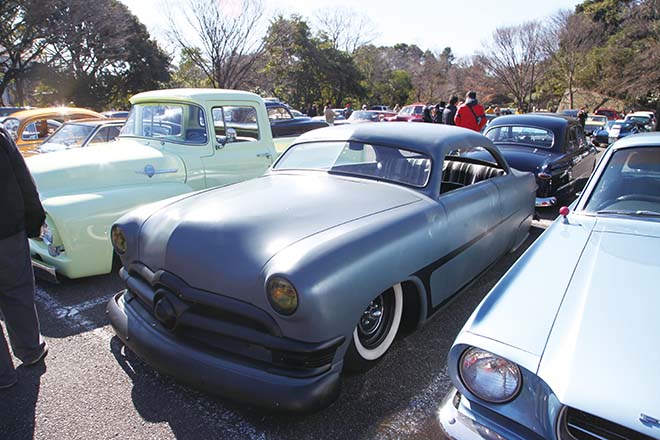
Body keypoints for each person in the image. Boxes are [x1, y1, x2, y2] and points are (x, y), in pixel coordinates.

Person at [0, 126, 48, 389]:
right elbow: (23, 180)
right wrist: (34, 221)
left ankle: (2, 375)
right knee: (17, 293)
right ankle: (30, 350)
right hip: (6, 231)